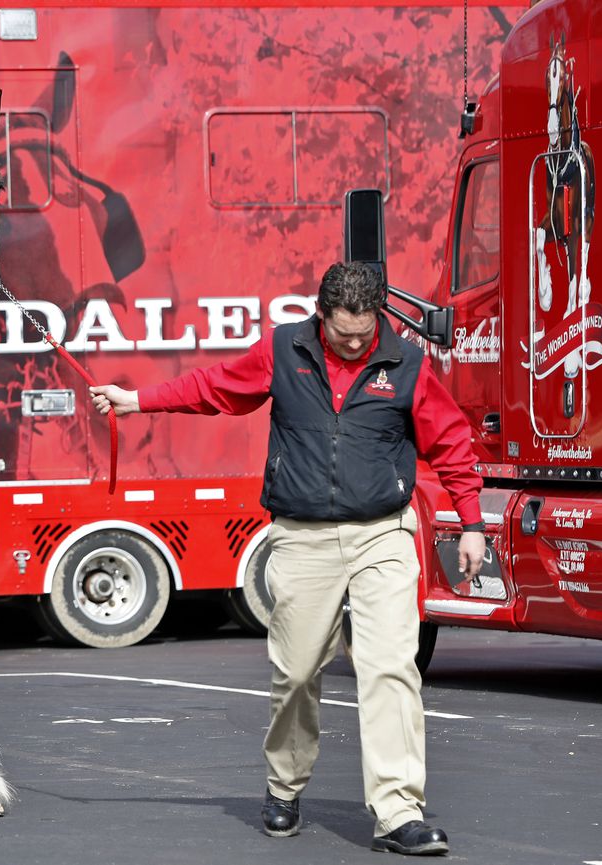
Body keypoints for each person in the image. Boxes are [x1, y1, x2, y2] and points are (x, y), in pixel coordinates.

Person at [90, 262, 485, 857]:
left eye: (365, 333)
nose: (355, 345)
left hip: (383, 534)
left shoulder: (405, 363)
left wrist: (472, 522)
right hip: (303, 537)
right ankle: (284, 784)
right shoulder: (283, 349)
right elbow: (213, 388)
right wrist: (136, 401)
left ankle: (399, 810)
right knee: (297, 672)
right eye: (343, 334)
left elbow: (451, 441)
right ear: (319, 315)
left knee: (391, 669)